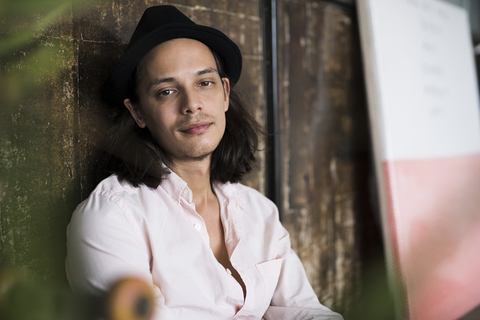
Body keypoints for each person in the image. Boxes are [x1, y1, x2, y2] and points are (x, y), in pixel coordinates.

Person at [65, 5, 343, 320]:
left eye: (204, 83)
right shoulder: (113, 217)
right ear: (138, 112)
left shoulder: (259, 212)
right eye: (166, 91)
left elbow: (306, 312)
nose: (192, 104)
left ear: (225, 93)